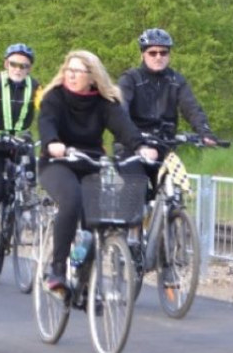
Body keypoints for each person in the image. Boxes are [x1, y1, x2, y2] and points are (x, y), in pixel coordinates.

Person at [38, 50, 152, 292]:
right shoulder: (54, 98)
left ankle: (86, 283)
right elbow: (47, 122)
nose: (71, 75)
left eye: (78, 71)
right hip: (58, 163)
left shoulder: (104, 103)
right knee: (72, 200)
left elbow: (124, 128)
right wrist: (52, 143)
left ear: (92, 76)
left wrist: (140, 146)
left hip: (91, 163)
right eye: (69, 70)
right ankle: (57, 269)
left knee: (97, 219)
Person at [118, 28, 218, 194]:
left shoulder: (176, 80)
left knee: (174, 192)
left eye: (164, 53)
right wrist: (134, 139)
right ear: (143, 54)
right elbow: (120, 110)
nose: (158, 57)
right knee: (135, 193)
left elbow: (191, 107)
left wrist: (204, 131)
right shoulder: (130, 79)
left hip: (162, 147)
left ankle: (171, 217)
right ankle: (136, 219)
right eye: (153, 53)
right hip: (133, 147)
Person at [0, 43, 42, 265]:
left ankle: (27, 206)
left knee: (30, 173)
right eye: (14, 64)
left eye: (24, 65)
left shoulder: (35, 86)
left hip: (19, 142)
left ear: (29, 68)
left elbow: (47, 108)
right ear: (6, 64)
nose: (18, 69)